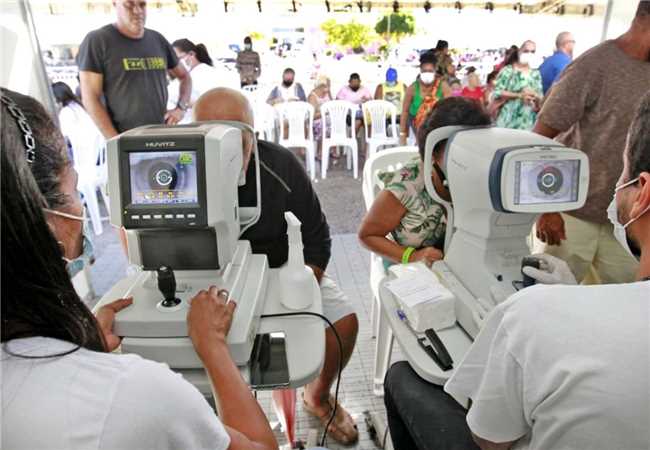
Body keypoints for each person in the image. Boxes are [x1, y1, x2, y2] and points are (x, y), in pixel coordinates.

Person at [0, 88, 277, 450]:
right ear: (40, 219)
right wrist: (212, 348)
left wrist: (82, 345)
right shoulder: (138, 396)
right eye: (74, 191)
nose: (81, 209)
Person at [383, 89, 650, 450]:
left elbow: (490, 438)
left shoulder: (532, 316)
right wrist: (572, 300)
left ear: (641, 191)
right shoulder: (551, 310)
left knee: (401, 377)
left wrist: (561, 309)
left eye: (623, 173)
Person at [194, 88, 360, 445]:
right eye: (208, 132)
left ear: (252, 136)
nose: (221, 145)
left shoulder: (281, 165)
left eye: (233, 133)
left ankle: (317, 397)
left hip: (282, 271)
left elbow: (317, 239)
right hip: (208, 281)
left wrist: (302, 285)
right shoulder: (184, 173)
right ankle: (221, 422)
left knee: (344, 323)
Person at [534, 1, 650, 284]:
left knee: (616, 313)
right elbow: (538, 140)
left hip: (626, 227)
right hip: (570, 219)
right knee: (550, 302)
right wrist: (547, 207)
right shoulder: (594, 64)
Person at [359, 98, 491, 268]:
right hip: (406, 267)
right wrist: (412, 257)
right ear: (433, 154)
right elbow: (368, 235)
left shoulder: (479, 177)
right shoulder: (407, 185)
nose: (470, 159)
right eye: (459, 151)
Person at [77, 0, 191, 139]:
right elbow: (90, 98)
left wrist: (181, 108)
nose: (137, 11)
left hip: (160, 136)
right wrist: (115, 141)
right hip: (124, 139)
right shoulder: (98, 41)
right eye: (129, 5)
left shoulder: (157, 40)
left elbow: (184, 76)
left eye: (142, 5)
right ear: (115, 4)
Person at [171, 38, 238, 123]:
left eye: (178, 58)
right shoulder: (186, 76)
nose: (175, 63)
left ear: (191, 54)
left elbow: (213, 103)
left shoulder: (206, 74)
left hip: (199, 126)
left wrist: (183, 103)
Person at [399, 51, 450, 145]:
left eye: (430, 71)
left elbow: (450, 108)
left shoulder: (443, 86)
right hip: (417, 125)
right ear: (420, 71)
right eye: (424, 71)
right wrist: (402, 134)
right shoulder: (413, 88)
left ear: (435, 70)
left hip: (436, 124)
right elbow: (405, 112)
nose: (427, 74)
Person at [51, 82, 105, 169]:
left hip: (84, 156)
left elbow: (64, 137)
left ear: (57, 97)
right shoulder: (80, 106)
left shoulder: (66, 112)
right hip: (97, 152)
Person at [491, 40, 543, 130]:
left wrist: (534, 96)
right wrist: (519, 95)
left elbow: (540, 96)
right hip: (508, 119)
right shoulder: (508, 71)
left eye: (533, 52)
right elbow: (497, 92)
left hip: (528, 121)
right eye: (526, 51)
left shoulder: (536, 73)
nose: (529, 54)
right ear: (519, 51)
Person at [308, 74, 333, 159]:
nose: (328, 87)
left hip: (327, 120)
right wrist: (325, 113)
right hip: (316, 122)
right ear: (320, 86)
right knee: (324, 125)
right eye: (327, 85)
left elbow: (333, 106)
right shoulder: (313, 96)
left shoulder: (327, 93)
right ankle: (320, 152)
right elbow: (312, 117)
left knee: (336, 123)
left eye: (329, 85)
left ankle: (331, 149)